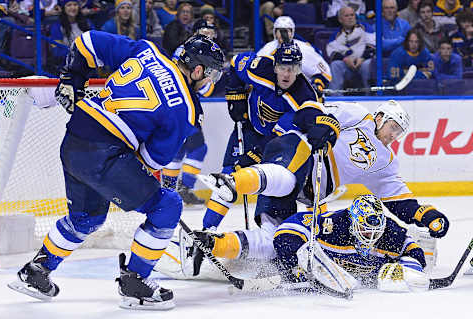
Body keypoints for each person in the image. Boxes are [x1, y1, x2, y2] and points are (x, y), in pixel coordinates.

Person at [7, 31, 225, 310]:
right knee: (167, 206)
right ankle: (135, 281)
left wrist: (72, 78)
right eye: (212, 75)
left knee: (86, 218)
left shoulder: (148, 51)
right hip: (105, 155)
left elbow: (86, 42)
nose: (211, 82)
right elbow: (152, 161)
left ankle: (36, 273)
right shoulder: (186, 109)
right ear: (197, 70)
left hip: (74, 140)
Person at [192, 100, 448, 276]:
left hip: (310, 190)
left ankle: (212, 244)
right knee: (288, 177)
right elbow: (309, 109)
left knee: (273, 241)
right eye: (393, 127)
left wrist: (427, 215)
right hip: (298, 153)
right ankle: (233, 182)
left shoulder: (385, 162)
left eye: (399, 133)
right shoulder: (361, 115)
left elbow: (400, 201)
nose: (394, 135)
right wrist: (324, 126)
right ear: (380, 117)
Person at [201, 42, 335, 235]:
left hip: (280, 145)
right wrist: (235, 95)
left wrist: (253, 157)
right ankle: (206, 230)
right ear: (275, 66)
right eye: (282, 68)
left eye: (293, 68)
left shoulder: (304, 98)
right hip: (249, 129)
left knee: (286, 188)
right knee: (229, 175)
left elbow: (278, 137)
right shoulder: (259, 68)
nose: (287, 74)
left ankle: (290, 235)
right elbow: (235, 64)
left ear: (300, 68)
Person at [272, 194, 430, 292]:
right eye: (364, 229)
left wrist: (406, 269)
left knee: (423, 250)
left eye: (376, 231)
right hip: (321, 283)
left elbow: (415, 253)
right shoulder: (332, 225)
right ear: (352, 222)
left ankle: (426, 239)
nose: (370, 235)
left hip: (353, 279)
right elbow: (285, 231)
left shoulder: (391, 233)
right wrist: (296, 264)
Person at [161, 20, 220, 207]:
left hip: (182, 108)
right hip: (181, 109)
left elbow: (207, 90)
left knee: (177, 151)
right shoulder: (184, 52)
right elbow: (203, 88)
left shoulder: (203, 53)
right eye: (205, 32)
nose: (209, 36)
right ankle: (181, 188)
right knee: (197, 147)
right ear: (195, 33)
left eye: (212, 33)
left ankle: (169, 190)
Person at [257, 16, 332, 95]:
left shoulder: (304, 49)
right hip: (274, 93)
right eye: (280, 31)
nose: (283, 34)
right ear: (275, 32)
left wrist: (317, 84)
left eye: (287, 31)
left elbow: (326, 73)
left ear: (292, 32)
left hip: (302, 93)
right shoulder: (267, 49)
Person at [326, 6, 376, 95]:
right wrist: (345, 59)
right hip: (346, 65)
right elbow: (332, 52)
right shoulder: (336, 35)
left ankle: (370, 95)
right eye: (347, 16)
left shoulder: (365, 28)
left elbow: (372, 46)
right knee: (335, 65)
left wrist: (363, 58)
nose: (350, 18)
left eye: (352, 15)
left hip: (363, 62)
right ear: (340, 19)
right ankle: (335, 97)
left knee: (368, 64)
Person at [49, 0, 94, 73]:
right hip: (66, 66)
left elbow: (94, 44)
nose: (73, 8)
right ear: (63, 8)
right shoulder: (57, 26)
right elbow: (57, 51)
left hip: (87, 64)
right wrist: (76, 55)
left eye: (75, 4)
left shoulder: (88, 23)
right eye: (69, 5)